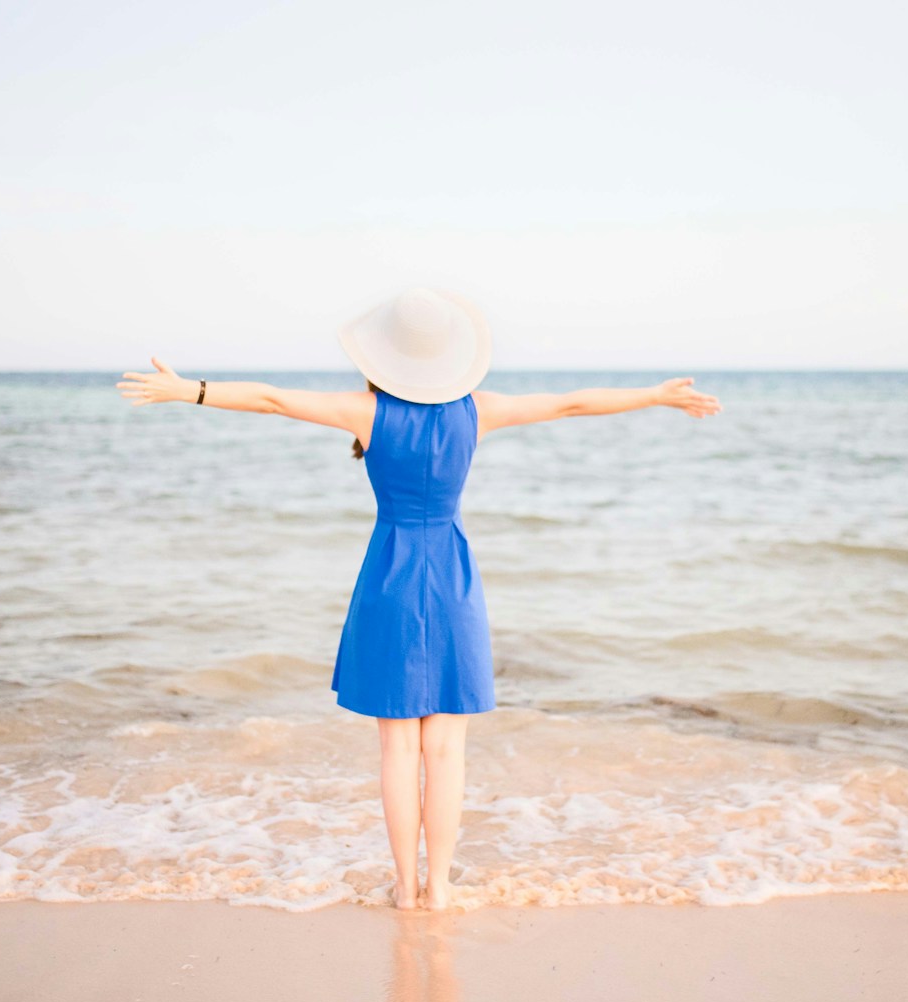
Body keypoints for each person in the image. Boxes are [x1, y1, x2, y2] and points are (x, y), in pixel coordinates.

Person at [116, 287, 723, 911]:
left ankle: (404, 890)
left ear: (384, 359)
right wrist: (655, 396)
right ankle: (438, 891)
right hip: (453, 577)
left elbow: (272, 400)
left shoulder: (366, 414)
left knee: (398, 748)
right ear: (452, 358)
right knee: (447, 749)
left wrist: (188, 390)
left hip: (390, 575)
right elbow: (569, 404)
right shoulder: (477, 411)